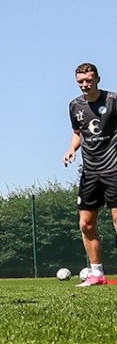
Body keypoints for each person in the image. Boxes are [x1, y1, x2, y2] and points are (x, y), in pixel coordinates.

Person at [63, 62, 117, 287]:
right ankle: (97, 274)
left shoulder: (113, 101)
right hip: (90, 172)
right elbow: (78, 132)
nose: (84, 85)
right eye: (80, 82)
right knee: (86, 224)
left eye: (88, 80)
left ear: (98, 80)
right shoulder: (75, 106)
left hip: (114, 169)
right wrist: (71, 149)